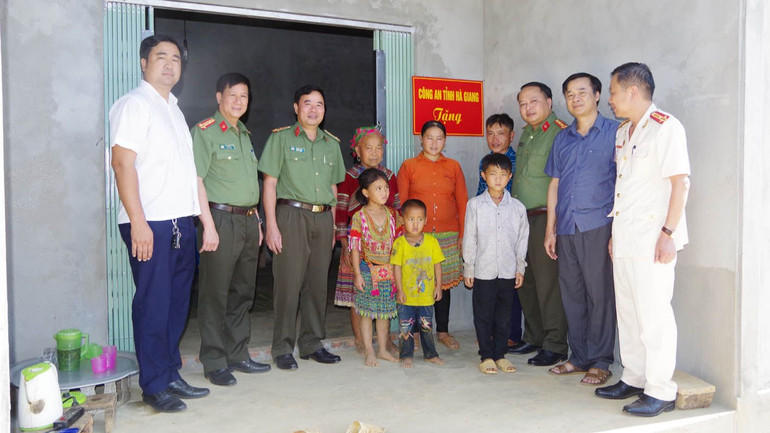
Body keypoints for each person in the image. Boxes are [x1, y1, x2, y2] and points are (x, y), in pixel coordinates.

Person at [109, 34, 209, 412]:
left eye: (175, 59)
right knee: (153, 304)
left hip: (179, 221)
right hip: (149, 222)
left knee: (176, 304)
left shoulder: (175, 111)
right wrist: (137, 222)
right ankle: (153, 385)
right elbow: (123, 164)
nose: (169, 64)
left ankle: (169, 372)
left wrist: (202, 221)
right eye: (160, 57)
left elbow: (188, 174)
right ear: (142, 63)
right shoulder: (134, 105)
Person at [596, 62, 690, 417]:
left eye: (614, 92)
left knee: (654, 316)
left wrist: (668, 234)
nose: (611, 100)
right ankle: (634, 377)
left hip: (654, 240)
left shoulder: (666, 127)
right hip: (626, 238)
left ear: (633, 92)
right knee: (630, 313)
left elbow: (680, 184)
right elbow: (625, 189)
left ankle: (661, 390)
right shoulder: (624, 132)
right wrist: (614, 236)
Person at [258, 84, 346, 370]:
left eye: (319, 104)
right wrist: (271, 224)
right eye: (307, 103)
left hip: (323, 217)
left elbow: (333, 187)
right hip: (291, 215)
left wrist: (333, 226)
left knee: (318, 283)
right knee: (288, 282)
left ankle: (311, 343)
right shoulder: (281, 139)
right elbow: (269, 184)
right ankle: (282, 347)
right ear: (296, 107)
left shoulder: (331, 144)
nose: (313, 109)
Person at [192, 72, 271, 387]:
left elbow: (250, 183)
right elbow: (196, 180)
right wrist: (207, 224)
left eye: (245, 96)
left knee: (242, 292)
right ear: (218, 97)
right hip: (220, 220)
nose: (239, 101)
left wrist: (259, 221)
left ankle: (238, 354)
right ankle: (213, 360)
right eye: (233, 95)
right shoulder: (205, 132)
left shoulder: (244, 134)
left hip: (249, 221)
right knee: (215, 293)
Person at [544, 73, 618, 386]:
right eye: (570, 94)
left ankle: (601, 360)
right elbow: (555, 184)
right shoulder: (563, 137)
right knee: (572, 294)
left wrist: (618, 230)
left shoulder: (616, 132)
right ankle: (579, 356)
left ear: (598, 95)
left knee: (599, 294)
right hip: (567, 228)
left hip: (599, 224)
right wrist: (550, 229)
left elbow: (624, 182)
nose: (575, 98)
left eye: (582, 92)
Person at [510, 82, 570, 367]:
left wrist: (554, 224)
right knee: (526, 280)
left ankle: (555, 344)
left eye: (533, 101)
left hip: (546, 217)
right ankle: (533, 336)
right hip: (522, 218)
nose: (528, 108)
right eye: (522, 103)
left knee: (548, 283)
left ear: (548, 101)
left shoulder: (559, 132)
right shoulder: (527, 135)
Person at [397, 120, 468, 351]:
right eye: (429, 137)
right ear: (421, 139)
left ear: (445, 141)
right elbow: (403, 204)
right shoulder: (409, 166)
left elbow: (462, 202)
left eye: (439, 138)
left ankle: (443, 331)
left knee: (443, 284)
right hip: (417, 235)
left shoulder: (454, 166)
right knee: (417, 282)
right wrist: (405, 235)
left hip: (447, 233)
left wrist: (462, 235)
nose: (434, 143)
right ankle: (415, 333)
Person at [335, 126, 400, 353]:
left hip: (384, 248)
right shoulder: (350, 177)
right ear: (357, 151)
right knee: (359, 296)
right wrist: (343, 243)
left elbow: (397, 208)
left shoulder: (390, 176)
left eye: (378, 148)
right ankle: (361, 340)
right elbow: (342, 210)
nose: (374, 153)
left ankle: (386, 341)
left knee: (385, 294)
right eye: (368, 148)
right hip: (358, 247)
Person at [464, 153, 528, 374]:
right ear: (484, 176)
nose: (498, 179)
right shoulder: (475, 206)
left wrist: (520, 267)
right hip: (483, 270)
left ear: (510, 176)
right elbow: (470, 237)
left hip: (508, 271)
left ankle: (500, 355)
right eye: (493, 174)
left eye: (503, 174)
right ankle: (486, 356)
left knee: (504, 316)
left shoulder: (518, 208)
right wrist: (469, 267)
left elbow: (522, 240)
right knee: (484, 315)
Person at [475, 113, 526, 352]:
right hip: (487, 227)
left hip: (510, 227)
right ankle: (489, 335)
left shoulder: (517, 160)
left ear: (511, 136)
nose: (495, 139)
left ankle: (510, 335)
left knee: (509, 287)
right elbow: (479, 193)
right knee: (489, 290)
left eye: (501, 133)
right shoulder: (485, 161)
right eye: (490, 133)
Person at [348, 168, 402, 367]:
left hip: (388, 272)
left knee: (384, 313)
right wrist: (357, 274)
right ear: (365, 192)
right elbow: (355, 248)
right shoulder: (359, 217)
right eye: (378, 188)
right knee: (366, 313)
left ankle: (382, 350)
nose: (384, 192)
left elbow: (399, 245)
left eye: (386, 187)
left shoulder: (394, 215)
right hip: (367, 270)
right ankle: (369, 351)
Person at [390, 199, 446, 368]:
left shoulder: (432, 242)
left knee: (427, 326)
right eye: (411, 219)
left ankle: (430, 354)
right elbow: (397, 269)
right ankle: (406, 355)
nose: (415, 224)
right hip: (406, 296)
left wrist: (438, 286)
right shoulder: (399, 244)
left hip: (426, 296)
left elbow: (437, 265)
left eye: (420, 219)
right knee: (405, 328)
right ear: (403, 220)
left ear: (425, 220)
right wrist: (399, 290)